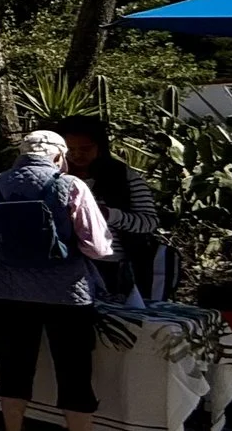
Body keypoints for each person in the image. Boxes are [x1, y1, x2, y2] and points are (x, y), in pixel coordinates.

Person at [0, 130, 123, 431]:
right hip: (64, 293)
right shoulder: (71, 186)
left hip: (6, 291)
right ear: (59, 156)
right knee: (73, 370)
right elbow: (97, 247)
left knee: (14, 364)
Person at [58, 115, 163, 303]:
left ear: (100, 146)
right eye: (70, 150)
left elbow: (149, 222)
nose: (77, 155)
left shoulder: (123, 177)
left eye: (85, 149)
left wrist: (108, 215)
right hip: (67, 267)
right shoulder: (56, 179)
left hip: (112, 269)